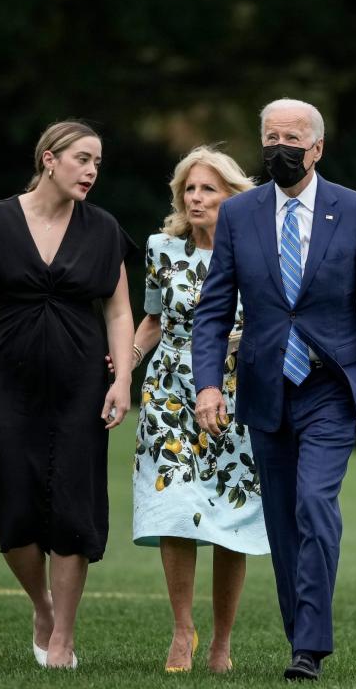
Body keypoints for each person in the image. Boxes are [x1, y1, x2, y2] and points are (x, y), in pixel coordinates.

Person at [192, 98, 356, 681]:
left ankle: (310, 647)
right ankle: (299, 638)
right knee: (284, 521)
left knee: (315, 503)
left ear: (316, 149)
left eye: (291, 138)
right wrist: (208, 383)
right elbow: (213, 311)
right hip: (264, 387)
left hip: (331, 387)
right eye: (270, 136)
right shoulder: (240, 215)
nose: (278, 147)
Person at [0, 120, 135, 669]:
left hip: (82, 388)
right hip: (11, 386)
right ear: (49, 160)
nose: (92, 170)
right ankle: (41, 606)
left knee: (74, 509)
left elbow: (119, 311)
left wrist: (122, 379)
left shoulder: (103, 230)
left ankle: (63, 640)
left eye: (97, 161)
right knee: (13, 510)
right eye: (82, 158)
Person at [129, 146, 268, 674]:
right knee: (175, 507)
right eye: (188, 189)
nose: (195, 198)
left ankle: (222, 642)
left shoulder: (258, 252)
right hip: (168, 390)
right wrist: (127, 364)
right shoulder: (162, 248)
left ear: (231, 197)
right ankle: (183, 629)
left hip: (235, 391)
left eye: (207, 188)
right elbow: (152, 319)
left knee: (231, 513)